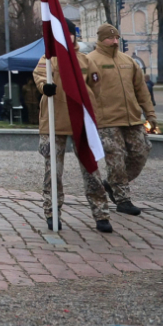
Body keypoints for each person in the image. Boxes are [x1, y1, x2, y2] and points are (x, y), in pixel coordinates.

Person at [34, 50, 113, 233]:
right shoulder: (47, 58)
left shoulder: (84, 59)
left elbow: (96, 84)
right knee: (53, 171)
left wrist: (89, 103)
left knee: (91, 169)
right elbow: (38, 76)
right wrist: (45, 86)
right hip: (54, 122)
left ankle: (101, 214)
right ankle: (52, 212)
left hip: (81, 121)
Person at [83, 23, 156, 219]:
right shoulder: (90, 61)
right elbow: (83, 92)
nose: (114, 41)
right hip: (106, 121)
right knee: (116, 159)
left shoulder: (128, 62)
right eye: (110, 38)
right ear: (101, 39)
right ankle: (123, 199)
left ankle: (111, 184)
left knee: (141, 152)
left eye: (117, 38)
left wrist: (150, 114)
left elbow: (142, 90)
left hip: (132, 119)